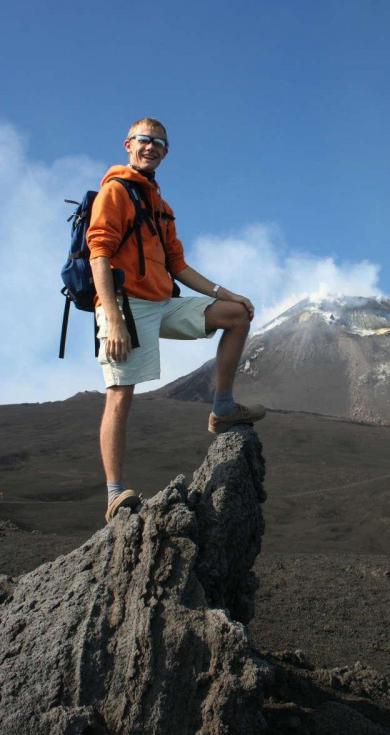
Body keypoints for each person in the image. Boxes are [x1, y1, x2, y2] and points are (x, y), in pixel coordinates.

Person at [87, 117, 265, 522]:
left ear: (165, 153)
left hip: (162, 301)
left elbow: (178, 265)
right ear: (128, 144)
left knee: (237, 316)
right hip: (124, 304)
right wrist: (112, 317)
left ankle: (222, 410)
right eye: (144, 141)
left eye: (159, 144)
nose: (151, 148)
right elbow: (98, 251)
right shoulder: (115, 191)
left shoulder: (160, 206)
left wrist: (227, 294)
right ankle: (115, 495)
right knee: (120, 393)